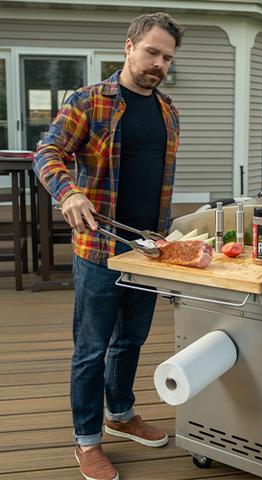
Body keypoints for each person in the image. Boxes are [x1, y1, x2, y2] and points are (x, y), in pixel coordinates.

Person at [33, 12, 184, 480]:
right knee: (92, 348)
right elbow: (47, 152)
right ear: (129, 47)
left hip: (147, 249)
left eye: (167, 57)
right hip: (98, 249)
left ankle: (120, 413)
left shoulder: (169, 112)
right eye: (152, 51)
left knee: (132, 340)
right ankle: (87, 440)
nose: (158, 63)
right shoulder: (90, 101)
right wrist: (69, 192)